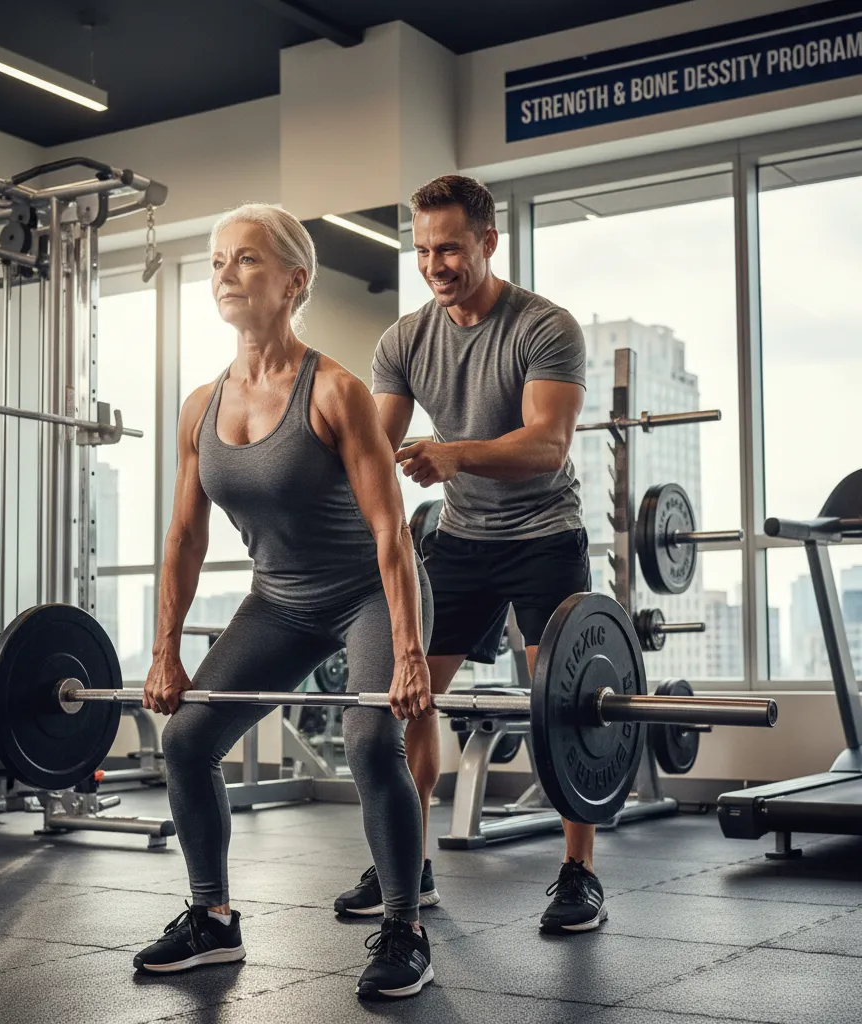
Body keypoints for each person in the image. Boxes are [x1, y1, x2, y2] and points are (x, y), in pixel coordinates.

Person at [134, 203, 437, 1000]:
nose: (226, 274)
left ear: (294, 281)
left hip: (370, 590)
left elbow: (391, 533)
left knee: (371, 740)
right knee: (188, 740)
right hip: (282, 601)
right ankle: (212, 919)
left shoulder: (335, 392)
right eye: (217, 262)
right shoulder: (201, 405)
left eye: (247, 260)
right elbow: (184, 540)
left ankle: (405, 926)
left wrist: (408, 655)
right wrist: (166, 649)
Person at [334, 174, 603, 934]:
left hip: (545, 536)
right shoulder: (405, 339)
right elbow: (377, 445)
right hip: (460, 540)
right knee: (407, 694)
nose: (435, 264)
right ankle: (407, 863)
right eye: (421, 250)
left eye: (449, 247)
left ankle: (578, 872)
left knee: (561, 705)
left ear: (489, 241)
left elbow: (548, 445)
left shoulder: (544, 326)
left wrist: (454, 456)